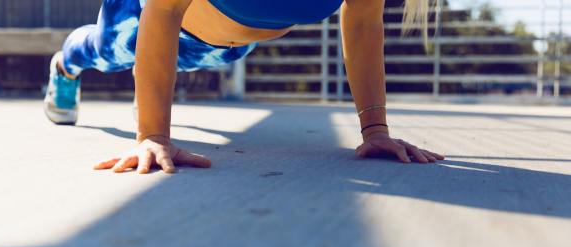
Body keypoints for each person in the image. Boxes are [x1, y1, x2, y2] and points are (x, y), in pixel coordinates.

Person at [43, 0, 445, 174]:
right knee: (104, 49)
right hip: (146, 16)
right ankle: (64, 66)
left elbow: (362, 23)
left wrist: (375, 130)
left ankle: (140, 87)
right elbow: (163, 10)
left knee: (169, 63)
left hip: (224, 50)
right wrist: (153, 135)